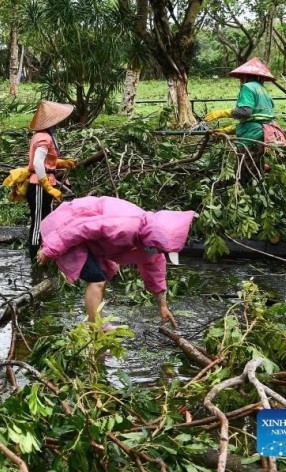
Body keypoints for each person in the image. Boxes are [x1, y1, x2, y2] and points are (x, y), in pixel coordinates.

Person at [36, 196, 195, 328]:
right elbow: (82, 227)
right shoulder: (126, 226)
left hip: (92, 242)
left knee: (102, 277)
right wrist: (50, 248)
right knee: (96, 280)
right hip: (69, 226)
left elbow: (155, 272)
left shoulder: (151, 244)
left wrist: (163, 306)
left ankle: (97, 322)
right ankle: (96, 329)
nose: (160, 252)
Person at [26, 101, 78, 259]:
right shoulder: (44, 137)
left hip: (43, 182)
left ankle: (45, 253)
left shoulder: (43, 135)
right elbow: (37, 163)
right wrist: (47, 187)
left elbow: (46, 160)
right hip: (39, 185)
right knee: (38, 221)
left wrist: (62, 162)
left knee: (47, 218)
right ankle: (34, 256)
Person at [204, 57, 286, 150]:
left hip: (253, 137)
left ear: (244, 76)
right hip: (270, 133)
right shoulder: (264, 90)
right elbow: (257, 119)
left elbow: (245, 112)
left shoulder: (248, 87)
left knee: (247, 162)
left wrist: (221, 113)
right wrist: (227, 130)